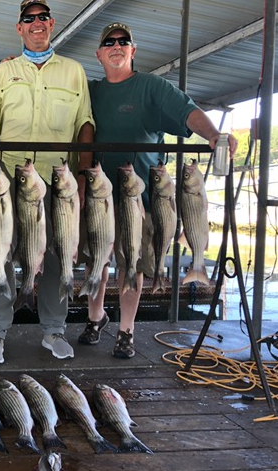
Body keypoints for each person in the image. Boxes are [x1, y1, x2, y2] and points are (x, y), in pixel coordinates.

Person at [82, 22, 238, 359]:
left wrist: (212, 134)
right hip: (98, 199)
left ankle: (126, 330)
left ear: (133, 51)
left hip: (144, 198)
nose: (117, 46)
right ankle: (95, 318)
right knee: (98, 259)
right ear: (99, 54)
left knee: (133, 264)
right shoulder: (89, 90)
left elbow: (188, 111)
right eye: (109, 42)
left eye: (124, 42)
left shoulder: (152, 87)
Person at [0, 0, 95, 364]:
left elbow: (85, 125)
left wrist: (83, 176)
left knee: (59, 255)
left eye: (42, 17)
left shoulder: (74, 71)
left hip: (58, 183)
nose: (36, 23)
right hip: (11, 180)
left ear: (51, 23)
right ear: (19, 28)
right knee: (1, 255)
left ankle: (54, 330)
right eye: (29, 19)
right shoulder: (5, 71)